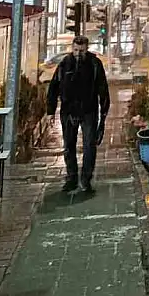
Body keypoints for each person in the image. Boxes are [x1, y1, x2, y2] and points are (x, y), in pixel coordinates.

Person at [47, 36, 110, 194]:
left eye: (81, 51)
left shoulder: (94, 64)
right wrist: (50, 111)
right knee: (69, 145)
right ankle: (72, 178)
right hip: (68, 111)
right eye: (75, 50)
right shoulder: (64, 64)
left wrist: (104, 113)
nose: (78, 53)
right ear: (72, 48)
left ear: (86, 49)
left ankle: (86, 179)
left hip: (89, 110)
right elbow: (53, 87)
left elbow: (103, 88)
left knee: (89, 145)